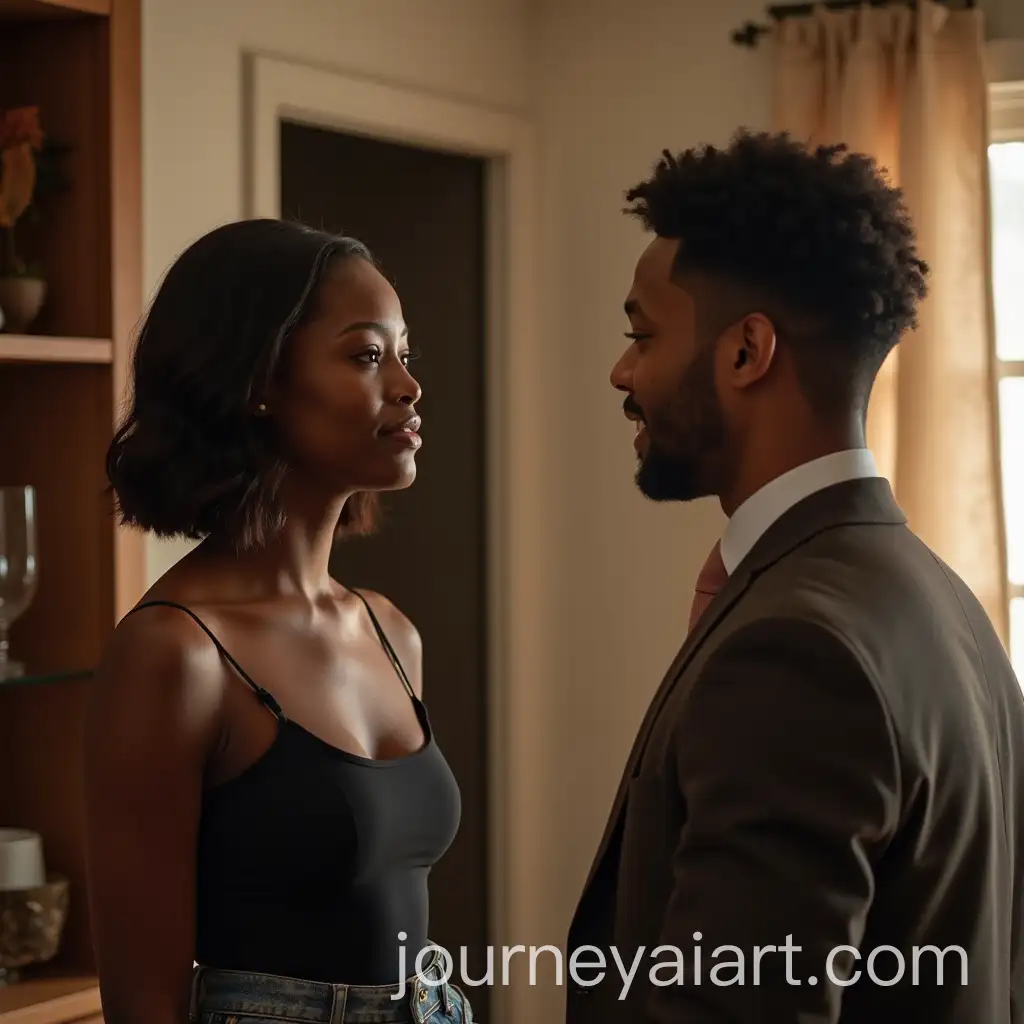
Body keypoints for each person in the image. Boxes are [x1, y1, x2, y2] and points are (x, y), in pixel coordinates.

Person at [565, 130, 1024, 1023]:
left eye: (641, 335)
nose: (623, 372)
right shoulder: (944, 600)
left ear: (746, 353)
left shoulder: (794, 649)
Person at [83, 219, 473, 1024]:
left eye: (406, 354)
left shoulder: (392, 633)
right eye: (368, 355)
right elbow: (142, 1000)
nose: (407, 385)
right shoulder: (175, 653)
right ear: (260, 380)